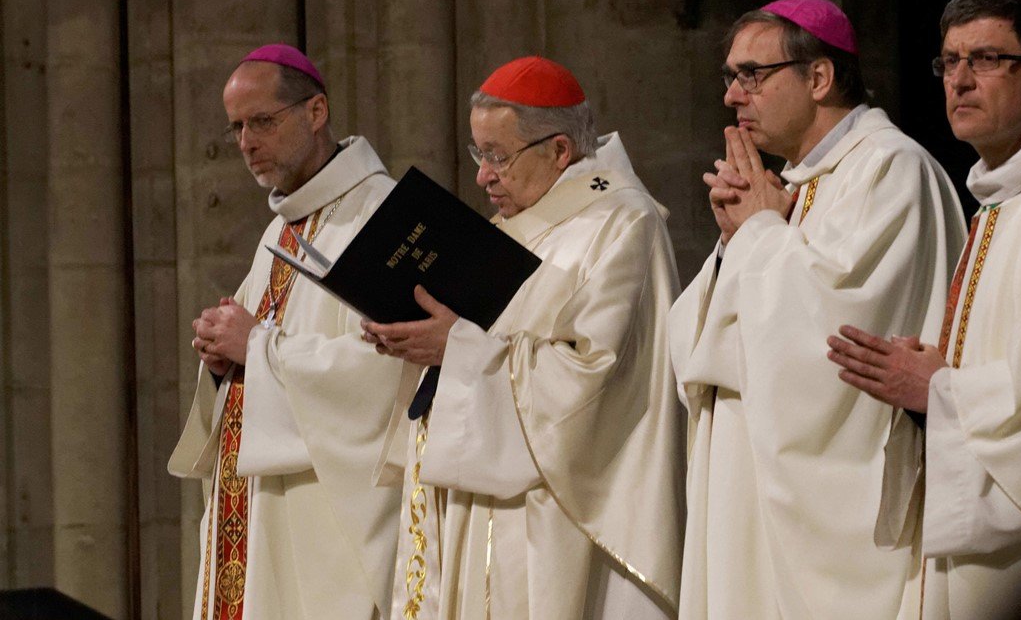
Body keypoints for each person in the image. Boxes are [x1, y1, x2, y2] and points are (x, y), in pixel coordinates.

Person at [669, 0, 966, 619]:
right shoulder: (794, 184)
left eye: (751, 75)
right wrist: (732, 246)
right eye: (729, 77)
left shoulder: (890, 170)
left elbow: (831, 336)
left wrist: (756, 235)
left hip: (831, 502)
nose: (732, 96)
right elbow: (696, 341)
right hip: (750, 473)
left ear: (820, 77)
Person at [362, 56, 685, 619]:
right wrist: (420, 343)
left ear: (560, 151)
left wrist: (457, 351)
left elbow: (593, 377)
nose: (484, 175)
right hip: (485, 509)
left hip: (558, 523)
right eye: (478, 154)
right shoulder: (507, 227)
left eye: (497, 156)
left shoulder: (623, 223)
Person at [827, 0, 1021, 620]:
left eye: (985, 59)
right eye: (949, 61)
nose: (960, 80)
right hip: (975, 512)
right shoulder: (1000, 195)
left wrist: (944, 391)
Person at [168, 44, 403, 620]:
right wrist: (224, 359)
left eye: (263, 122)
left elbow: (395, 367)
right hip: (260, 511)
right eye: (237, 128)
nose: (247, 143)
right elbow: (257, 345)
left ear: (316, 111)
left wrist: (257, 348)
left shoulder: (382, 213)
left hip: (323, 517)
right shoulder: (281, 228)